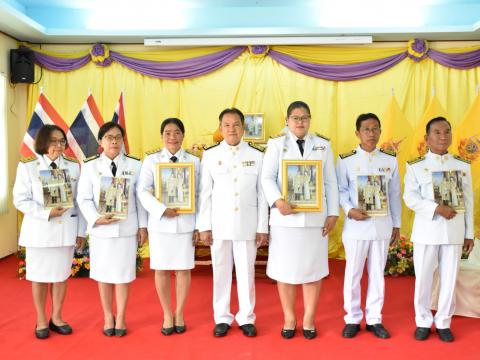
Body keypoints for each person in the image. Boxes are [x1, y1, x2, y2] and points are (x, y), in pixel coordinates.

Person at [261, 100, 339, 340]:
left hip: (315, 220)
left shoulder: (323, 145)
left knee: (312, 271)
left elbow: (330, 182)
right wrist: (277, 201)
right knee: (285, 271)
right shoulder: (276, 144)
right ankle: (289, 318)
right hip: (285, 220)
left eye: (304, 117)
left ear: (310, 120)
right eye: (295, 118)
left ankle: (308, 318)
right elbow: (266, 178)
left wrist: (333, 212)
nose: (300, 122)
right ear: (287, 120)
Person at [198, 108, 269, 338]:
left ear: (244, 127)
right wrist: (204, 226)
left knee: (246, 272)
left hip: (247, 224)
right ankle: (222, 317)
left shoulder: (258, 155)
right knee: (220, 272)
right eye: (227, 125)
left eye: (236, 124)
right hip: (219, 224)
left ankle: (246, 317)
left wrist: (262, 227)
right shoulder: (209, 155)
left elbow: (262, 195)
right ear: (220, 129)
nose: (232, 129)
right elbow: (205, 194)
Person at [403, 116, 474, 342]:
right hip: (427, 231)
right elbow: (410, 198)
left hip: (453, 231)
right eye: (437, 132)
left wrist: (468, 233)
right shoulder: (416, 166)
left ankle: (444, 321)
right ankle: (423, 320)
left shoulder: (462, 165)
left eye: (447, 132)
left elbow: (469, 202)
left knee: (449, 278)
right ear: (427, 138)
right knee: (423, 278)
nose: (443, 137)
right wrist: (436, 209)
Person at [13, 124, 86, 340]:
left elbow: (79, 202)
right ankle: (41, 319)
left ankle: (57, 317)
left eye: (62, 141)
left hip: (66, 231)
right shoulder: (28, 167)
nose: (58, 145)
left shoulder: (73, 167)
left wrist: (81, 231)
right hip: (39, 232)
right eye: (54, 141)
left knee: (61, 276)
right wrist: (47, 213)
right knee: (40, 277)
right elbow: (20, 200)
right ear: (43, 142)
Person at [77, 121, 148, 337]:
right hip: (102, 230)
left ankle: (122, 316)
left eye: (118, 137)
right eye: (109, 137)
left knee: (124, 275)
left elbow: (140, 198)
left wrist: (143, 226)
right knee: (104, 274)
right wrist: (96, 218)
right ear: (101, 141)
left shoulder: (136, 165)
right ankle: (108, 315)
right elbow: (83, 197)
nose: (114, 141)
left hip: (127, 229)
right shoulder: (90, 166)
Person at [336, 113, 401, 340]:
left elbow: (394, 195)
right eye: (366, 129)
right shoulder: (346, 160)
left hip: (382, 226)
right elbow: (340, 190)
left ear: (380, 132)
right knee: (352, 273)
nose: (371, 134)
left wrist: (397, 224)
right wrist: (348, 209)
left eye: (375, 129)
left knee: (377, 274)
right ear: (357, 133)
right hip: (356, 226)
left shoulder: (390, 160)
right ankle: (352, 317)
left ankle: (374, 318)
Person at [137, 118, 200, 336]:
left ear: (183, 135)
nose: (172, 137)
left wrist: (199, 226)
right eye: (167, 133)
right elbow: (142, 191)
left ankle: (180, 313)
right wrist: (162, 209)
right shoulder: (152, 160)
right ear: (161, 136)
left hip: (185, 224)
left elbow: (200, 195)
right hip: (161, 224)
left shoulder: (194, 161)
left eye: (176, 133)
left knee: (183, 270)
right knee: (161, 269)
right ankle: (166, 313)